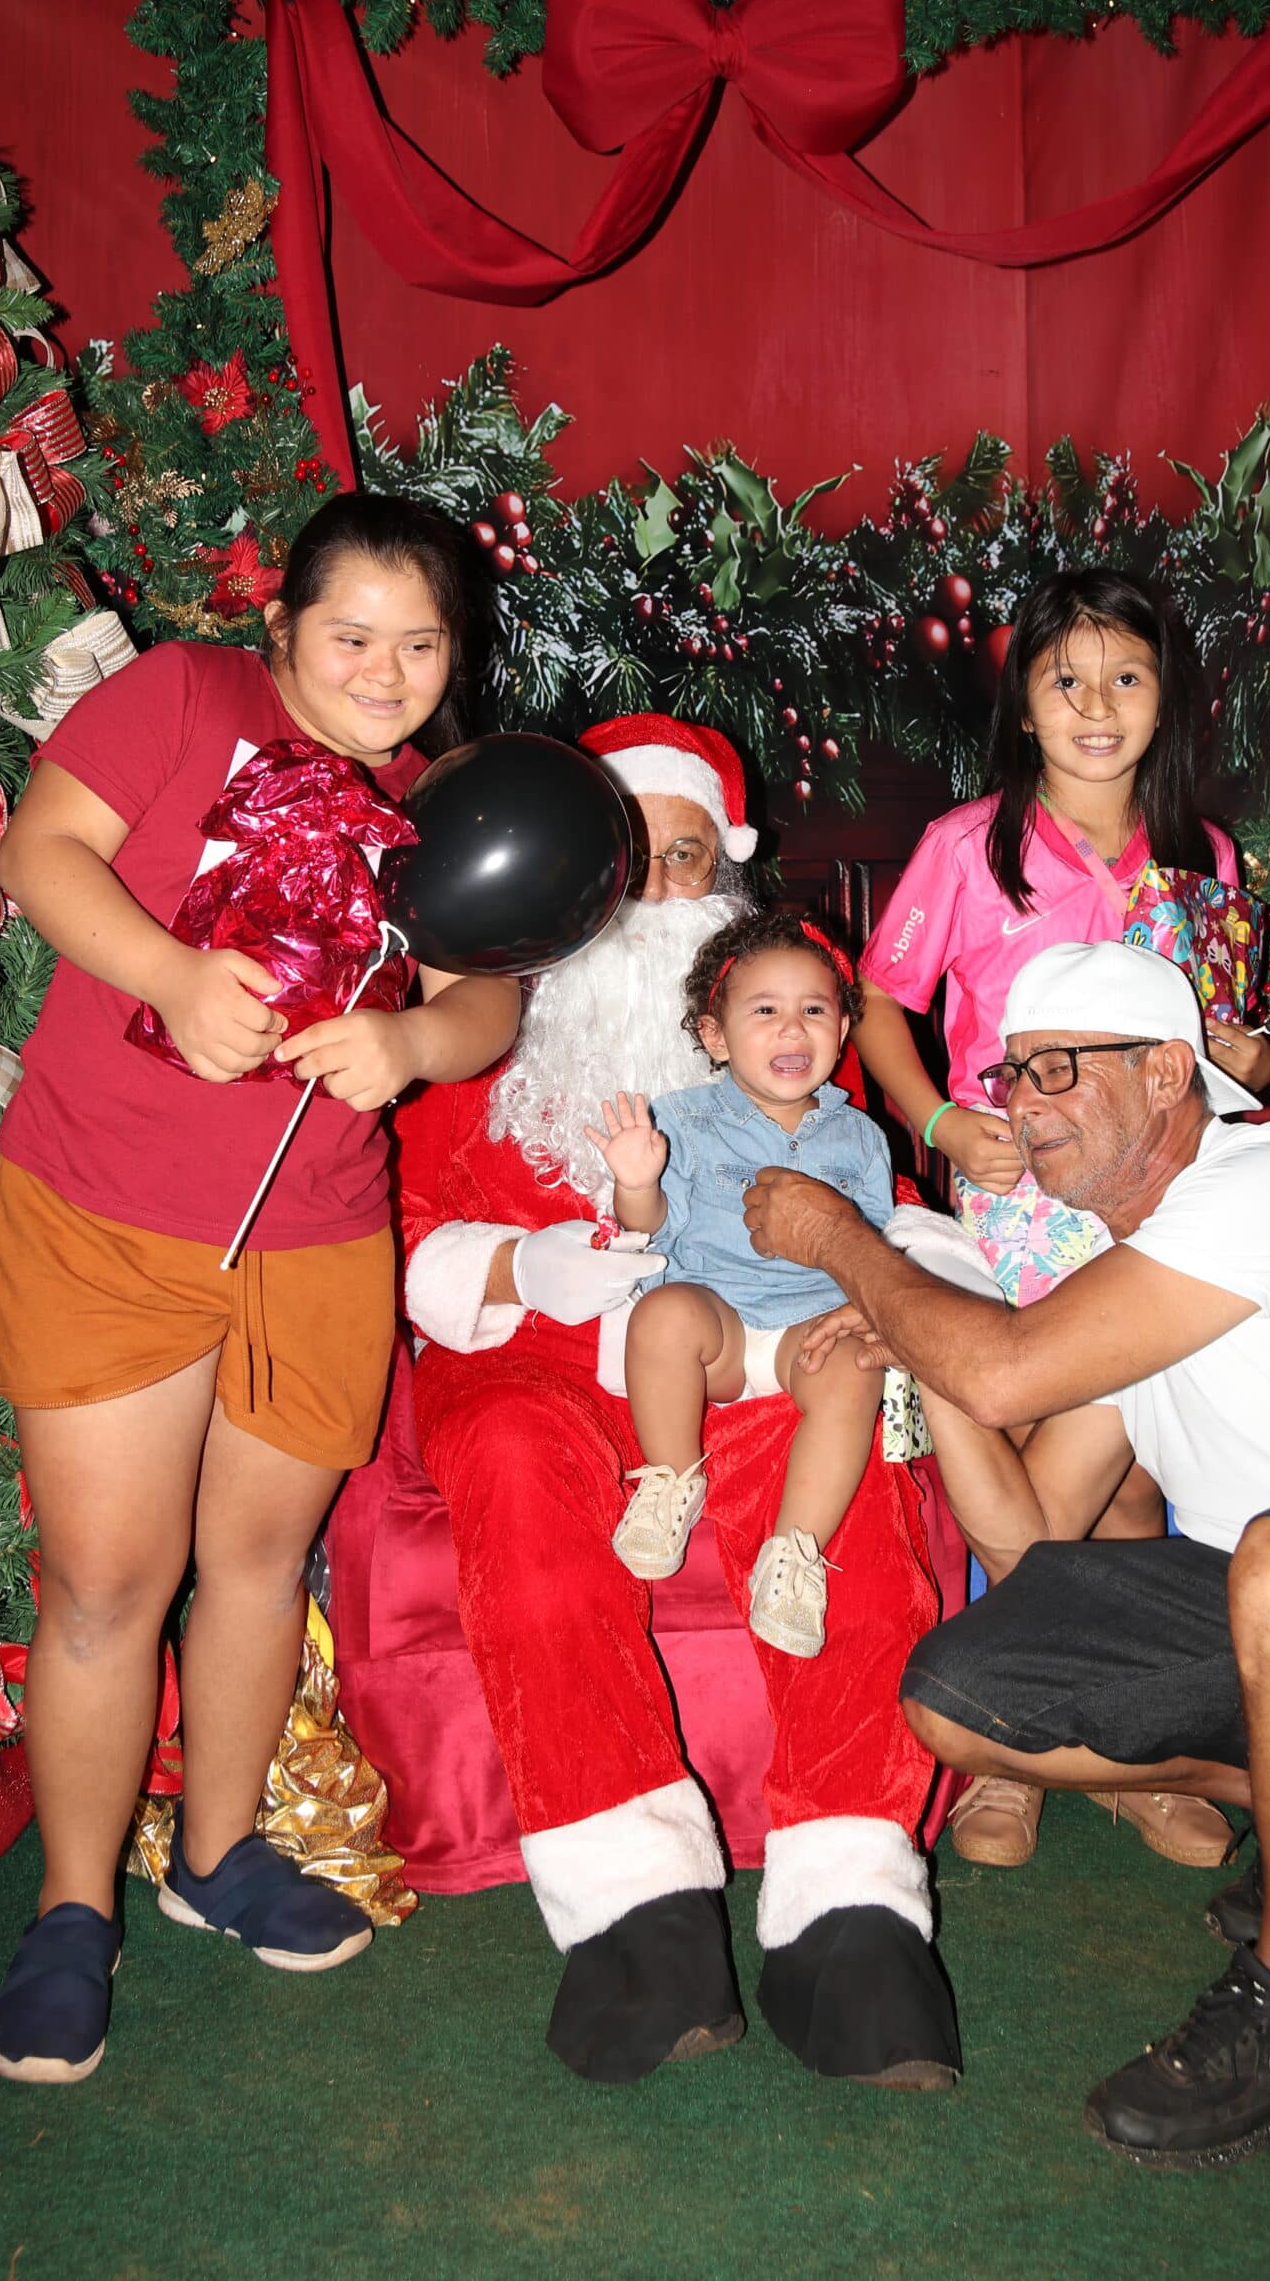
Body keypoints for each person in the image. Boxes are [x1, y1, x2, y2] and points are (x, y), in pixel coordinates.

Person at [0, 494, 520, 2084]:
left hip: (320, 1238)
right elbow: (37, 852)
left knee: (259, 1566)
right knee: (103, 1585)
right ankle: (71, 1911)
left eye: (419, 645)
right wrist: (168, 971)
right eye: (349, 635)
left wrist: (412, 1039)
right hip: (104, 1214)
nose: (384, 673)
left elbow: (484, 997)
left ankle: (216, 1853)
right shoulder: (182, 696)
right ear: (280, 628)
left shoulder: (436, 806)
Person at [743, 940, 1270, 2171]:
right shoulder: (1145, 1268)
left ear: (1169, 1071)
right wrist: (930, 1363)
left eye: (1060, 1068)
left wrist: (845, 1241)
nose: (1024, 1103)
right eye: (1013, 1073)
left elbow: (1008, 1367)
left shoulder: (1264, 1184)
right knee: (961, 1694)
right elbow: (1029, 1545)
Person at [394, 713, 959, 2088]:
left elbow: (879, 1193)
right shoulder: (485, 1030)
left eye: (685, 859)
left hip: (754, 1339)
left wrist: (910, 1282)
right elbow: (405, 1232)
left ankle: (850, 1911)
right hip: (536, 1346)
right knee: (511, 1464)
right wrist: (520, 1262)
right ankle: (634, 1913)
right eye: (625, 862)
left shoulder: (783, 1041)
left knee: (848, 1486)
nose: (652, 891)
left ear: (727, 878)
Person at [855, 565, 1270, 1869]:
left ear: (1166, 696)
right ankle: (1015, 1749)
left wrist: (1245, 1061)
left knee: (1141, 1467)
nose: (1096, 706)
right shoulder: (967, 846)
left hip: (1158, 1200)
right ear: (1024, 705)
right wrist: (938, 1121)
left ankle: (1120, 1746)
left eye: (1125, 677)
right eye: (1066, 681)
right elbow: (879, 1003)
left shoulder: (1202, 858)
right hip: (1019, 1195)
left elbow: (1223, 1043)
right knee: (1051, 1438)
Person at [590, 910, 894, 1658]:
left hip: (807, 1332)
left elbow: (873, 1248)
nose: (792, 1029)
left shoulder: (860, 1136)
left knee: (856, 1366)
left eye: (814, 1011)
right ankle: (670, 1479)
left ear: (842, 1031)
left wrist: (867, 1308)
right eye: (765, 1011)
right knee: (662, 1313)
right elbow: (649, 1229)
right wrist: (637, 1182)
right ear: (716, 1036)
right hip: (717, 1328)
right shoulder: (682, 1120)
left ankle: (793, 1554)